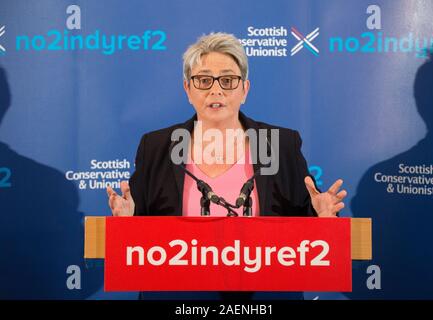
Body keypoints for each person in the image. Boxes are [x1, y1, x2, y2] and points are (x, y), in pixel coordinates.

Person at [106, 32, 347, 299]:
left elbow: (305, 228)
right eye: (204, 80)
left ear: (245, 89)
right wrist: (127, 221)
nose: (216, 89)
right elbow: (139, 239)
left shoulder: (277, 145)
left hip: (263, 297)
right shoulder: (159, 146)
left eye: (228, 80)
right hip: (178, 296)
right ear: (188, 89)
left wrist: (324, 218)